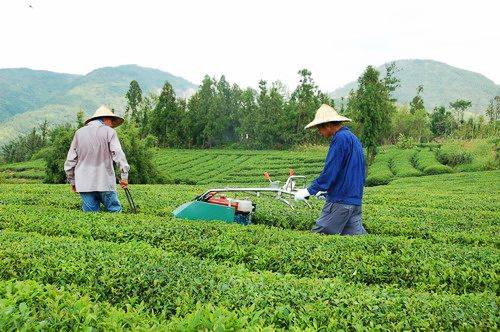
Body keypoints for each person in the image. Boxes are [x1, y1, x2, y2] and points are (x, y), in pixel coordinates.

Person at [294, 104, 367, 235]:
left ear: (327, 125)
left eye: (319, 128)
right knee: (356, 242)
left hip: (340, 201)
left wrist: (310, 190)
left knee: (318, 238)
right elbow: (348, 171)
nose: (319, 132)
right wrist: (326, 191)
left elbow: (331, 170)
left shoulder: (339, 139)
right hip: (355, 202)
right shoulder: (353, 139)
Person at [64, 105, 130, 212]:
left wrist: (72, 181)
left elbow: (70, 161)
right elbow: (118, 154)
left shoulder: (79, 133)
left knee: (91, 218)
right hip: (105, 181)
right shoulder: (110, 132)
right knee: (115, 212)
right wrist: (124, 176)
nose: (112, 124)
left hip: (84, 183)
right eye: (112, 121)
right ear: (105, 118)